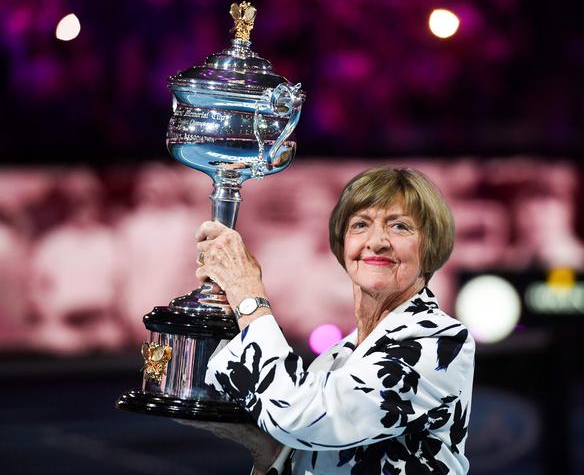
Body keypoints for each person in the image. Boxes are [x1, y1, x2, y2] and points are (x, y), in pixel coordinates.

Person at [186, 167, 475, 474]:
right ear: (341, 245)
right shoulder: (335, 359)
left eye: (400, 227)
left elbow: (303, 414)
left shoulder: (441, 343)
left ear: (430, 247)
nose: (377, 241)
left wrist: (246, 292)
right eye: (360, 224)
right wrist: (270, 453)